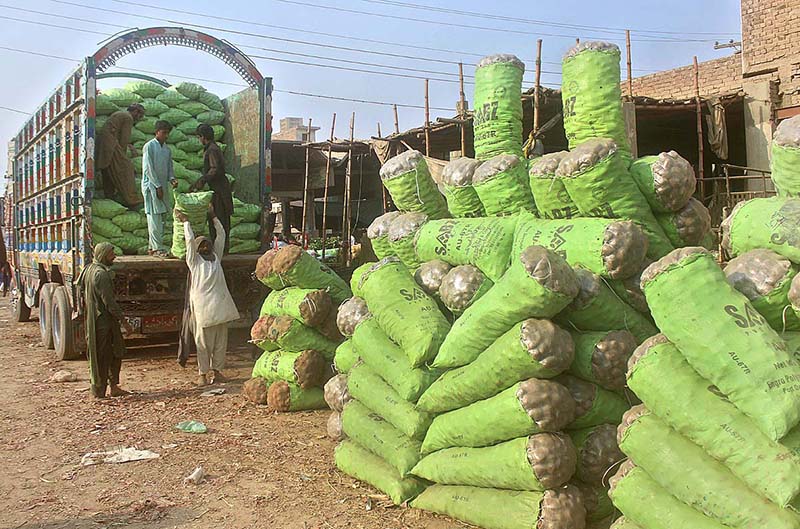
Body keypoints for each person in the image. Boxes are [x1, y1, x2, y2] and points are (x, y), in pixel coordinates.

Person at [175, 205, 239, 386]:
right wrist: (186, 223)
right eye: (201, 244)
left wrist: (214, 217)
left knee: (220, 343)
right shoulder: (194, 262)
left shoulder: (216, 258)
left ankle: (217, 372)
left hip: (221, 308)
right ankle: (202, 374)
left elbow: (222, 236)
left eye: (207, 244)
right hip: (203, 310)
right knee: (203, 343)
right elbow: (189, 243)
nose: (205, 246)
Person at [77, 242, 129, 399]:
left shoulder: (88, 269)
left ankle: (110, 387)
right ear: (103, 255)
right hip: (105, 322)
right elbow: (109, 303)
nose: (114, 257)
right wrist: (124, 321)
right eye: (111, 254)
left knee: (101, 354)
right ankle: (101, 390)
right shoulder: (101, 274)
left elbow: (79, 289)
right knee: (109, 354)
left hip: (94, 319)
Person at [191, 124, 233, 254]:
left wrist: (202, 180)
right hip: (219, 189)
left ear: (203, 137)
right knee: (218, 222)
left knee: (218, 223)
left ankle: (220, 253)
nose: (199, 140)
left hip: (219, 192)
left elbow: (215, 169)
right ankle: (220, 251)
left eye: (199, 137)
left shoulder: (212, 150)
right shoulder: (213, 148)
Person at [96, 103, 145, 208]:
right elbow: (124, 139)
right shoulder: (128, 118)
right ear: (135, 112)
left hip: (104, 145)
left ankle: (109, 196)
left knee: (108, 172)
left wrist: (130, 146)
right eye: (140, 115)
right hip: (111, 145)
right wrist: (123, 156)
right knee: (126, 168)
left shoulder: (119, 114)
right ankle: (132, 199)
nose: (140, 119)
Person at [142, 120, 178, 257]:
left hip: (162, 186)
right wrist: (157, 186)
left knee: (162, 217)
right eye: (164, 133)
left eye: (168, 133)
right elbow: (148, 169)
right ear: (157, 132)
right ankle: (157, 249)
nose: (166, 136)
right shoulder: (149, 146)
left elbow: (169, 168)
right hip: (151, 187)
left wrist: (172, 179)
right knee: (154, 217)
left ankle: (152, 247)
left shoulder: (167, 150)